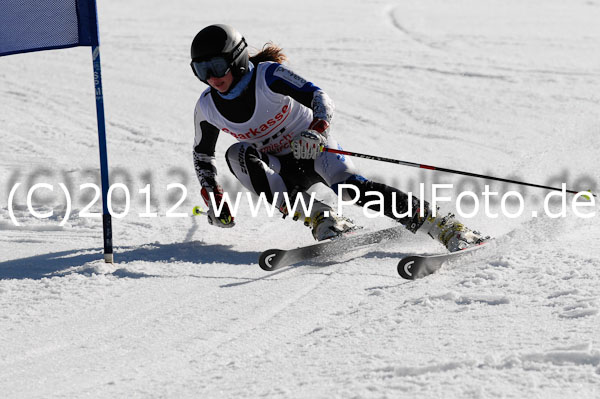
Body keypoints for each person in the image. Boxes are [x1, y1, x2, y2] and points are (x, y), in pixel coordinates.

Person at [190, 24, 486, 251]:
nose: (212, 78)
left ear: (237, 59)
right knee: (236, 154)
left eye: (216, 66)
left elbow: (320, 97)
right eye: (201, 71)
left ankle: (445, 226)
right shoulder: (207, 107)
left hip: (313, 150)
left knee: (351, 189)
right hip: (279, 167)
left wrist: (316, 130)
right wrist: (212, 193)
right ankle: (323, 218)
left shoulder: (268, 76)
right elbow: (202, 155)